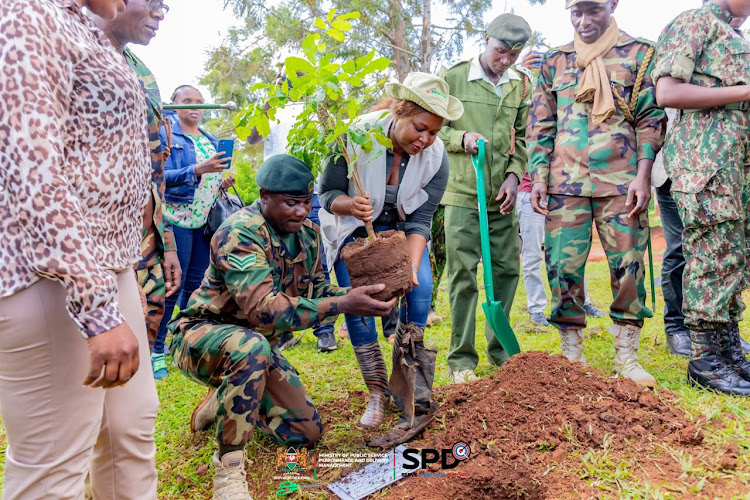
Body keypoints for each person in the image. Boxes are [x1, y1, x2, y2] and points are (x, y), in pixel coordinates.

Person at [0, 0, 159, 498]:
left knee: (129, 429)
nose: (159, 5)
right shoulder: (28, 14)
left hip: (110, 263)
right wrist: (95, 307)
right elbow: (30, 166)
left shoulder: (86, 32)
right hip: (50, 269)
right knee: (53, 465)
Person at [169, 155, 394, 499]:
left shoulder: (309, 235)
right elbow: (264, 312)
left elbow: (319, 291)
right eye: (291, 203)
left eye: (307, 203)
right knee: (253, 348)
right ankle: (228, 467)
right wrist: (342, 304)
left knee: (305, 433)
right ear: (264, 196)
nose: (302, 212)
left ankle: (227, 397)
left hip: (251, 350)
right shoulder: (239, 233)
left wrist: (358, 296)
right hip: (202, 338)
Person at [527, 0, 666, 387]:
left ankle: (627, 356)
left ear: (612, 5)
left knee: (629, 267)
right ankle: (571, 356)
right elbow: (540, 125)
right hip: (564, 185)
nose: (585, 21)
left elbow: (651, 119)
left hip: (621, 182)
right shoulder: (554, 61)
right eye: (577, 13)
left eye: (594, 11)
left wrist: (643, 175)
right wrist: (538, 176)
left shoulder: (640, 54)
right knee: (561, 268)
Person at [319, 72, 463, 432]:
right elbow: (326, 196)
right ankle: (377, 392)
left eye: (434, 132)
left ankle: (409, 388)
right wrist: (351, 205)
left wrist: (410, 271)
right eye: (420, 128)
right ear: (399, 112)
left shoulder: (436, 157)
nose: (426, 139)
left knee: (421, 290)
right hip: (354, 231)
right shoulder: (352, 136)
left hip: (401, 232)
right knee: (360, 301)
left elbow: (421, 221)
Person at [652, 0, 750, 395]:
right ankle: (705, 360)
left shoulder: (734, 32)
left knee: (732, 255)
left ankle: (729, 351)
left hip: (734, 165)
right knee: (710, 257)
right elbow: (667, 92)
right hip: (705, 163)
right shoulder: (696, 21)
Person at [438, 13, 532, 384]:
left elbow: (521, 138)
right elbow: (436, 129)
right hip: (462, 193)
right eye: (500, 50)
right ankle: (461, 359)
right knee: (464, 275)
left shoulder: (519, 86)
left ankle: (500, 352)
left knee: (507, 271)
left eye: (513, 54)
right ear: (486, 39)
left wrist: (513, 176)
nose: (505, 59)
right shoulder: (453, 78)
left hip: (500, 198)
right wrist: (460, 140)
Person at [92, 0, 183, 380]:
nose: (160, 13)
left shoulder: (140, 71)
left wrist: (167, 243)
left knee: (135, 359)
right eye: (153, 2)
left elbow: (153, 169)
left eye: (165, 6)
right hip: (90, 246)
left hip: (144, 239)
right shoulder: (70, 48)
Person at [247, 74, 339, 352]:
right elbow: (251, 138)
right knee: (275, 263)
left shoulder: (315, 108)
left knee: (315, 263)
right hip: (278, 198)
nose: (292, 86)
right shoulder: (270, 108)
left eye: (299, 80)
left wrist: (319, 102)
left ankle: (324, 330)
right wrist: (268, 99)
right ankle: (281, 330)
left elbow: (335, 137)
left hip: (307, 195)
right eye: (287, 80)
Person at [516, 52, 606, 327]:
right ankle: (536, 309)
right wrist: (522, 71)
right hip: (529, 190)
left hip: (565, 190)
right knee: (532, 253)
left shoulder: (564, 109)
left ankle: (583, 300)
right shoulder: (523, 108)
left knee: (572, 252)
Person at [154, 84, 236, 377]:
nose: (195, 107)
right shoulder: (167, 135)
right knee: (171, 288)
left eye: (200, 102)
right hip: (176, 221)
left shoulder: (209, 138)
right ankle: (156, 350)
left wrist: (220, 181)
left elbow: (209, 177)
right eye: (187, 101)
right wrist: (199, 170)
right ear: (173, 105)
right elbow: (159, 177)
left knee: (196, 288)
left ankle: (185, 346)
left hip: (204, 222)